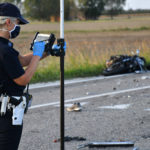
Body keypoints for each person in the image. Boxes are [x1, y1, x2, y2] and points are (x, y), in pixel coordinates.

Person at [0, 2, 48, 150]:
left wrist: (47, 51)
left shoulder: (5, 47)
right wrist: (37, 56)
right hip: (6, 115)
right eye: (17, 23)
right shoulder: (4, 50)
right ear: (8, 22)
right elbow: (23, 80)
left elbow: (20, 61)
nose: (18, 27)